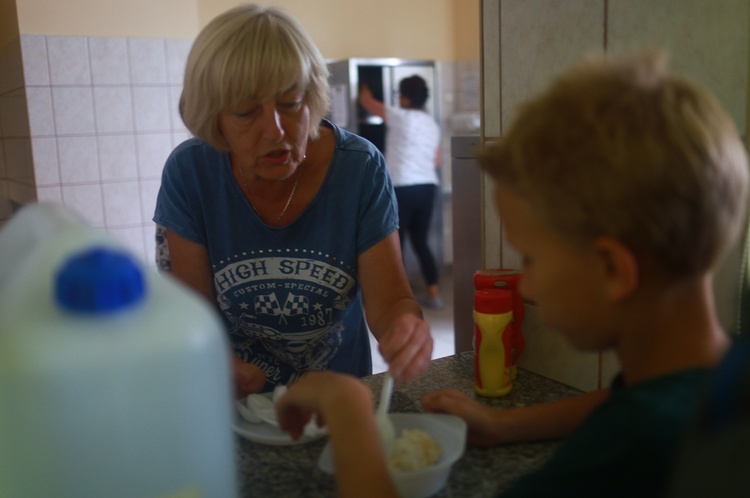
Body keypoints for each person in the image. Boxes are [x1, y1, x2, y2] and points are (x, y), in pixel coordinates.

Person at [275, 50, 750, 498]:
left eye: (532, 259)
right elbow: (622, 401)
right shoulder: (715, 371)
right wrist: (506, 424)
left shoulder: (625, 455)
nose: (527, 285)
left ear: (611, 269)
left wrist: (351, 409)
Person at [153, 4, 433, 397]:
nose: (275, 130)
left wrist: (405, 328)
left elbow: (391, 303)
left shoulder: (358, 169)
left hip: (339, 407)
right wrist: (218, 364)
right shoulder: (191, 174)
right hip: (238, 408)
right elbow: (191, 317)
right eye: (247, 112)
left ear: (314, 97)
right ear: (214, 118)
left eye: (290, 103)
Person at [359, 76, 444, 309]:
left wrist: (364, 84)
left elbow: (366, 102)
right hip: (427, 186)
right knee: (421, 240)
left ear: (405, 97)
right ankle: (433, 291)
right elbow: (436, 160)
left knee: (397, 242)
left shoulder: (399, 116)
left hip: (402, 187)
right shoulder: (431, 124)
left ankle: (402, 297)